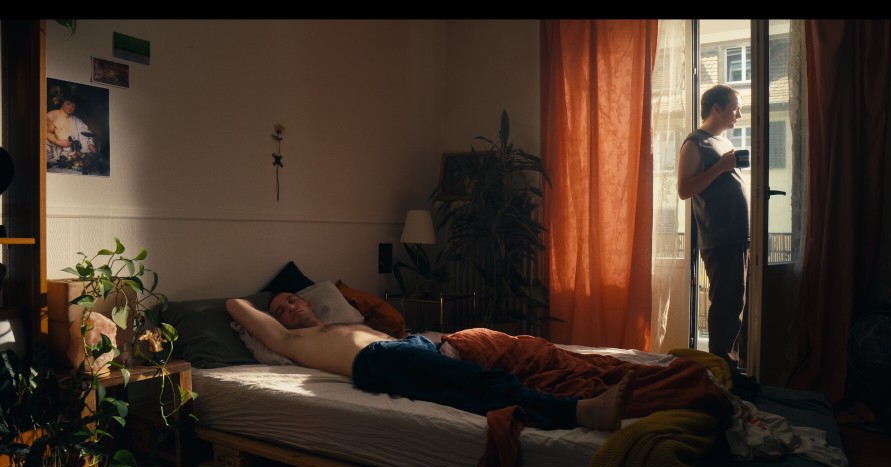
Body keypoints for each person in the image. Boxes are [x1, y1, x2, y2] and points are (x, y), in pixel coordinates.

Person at [226, 293, 636, 432]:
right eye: (279, 309)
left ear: (308, 300)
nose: (290, 307)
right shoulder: (293, 340)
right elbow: (234, 304)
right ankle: (578, 412)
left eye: (292, 299)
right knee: (477, 383)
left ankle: (556, 392)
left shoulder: (344, 321)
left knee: (502, 359)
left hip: (408, 347)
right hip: (377, 360)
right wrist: (259, 305)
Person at [676, 84, 749, 373]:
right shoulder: (695, 143)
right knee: (725, 305)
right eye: (735, 108)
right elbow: (684, 190)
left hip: (737, 235)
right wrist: (721, 167)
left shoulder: (722, 142)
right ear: (716, 109)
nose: (739, 114)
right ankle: (720, 371)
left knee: (736, 304)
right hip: (720, 237)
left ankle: (732, 367)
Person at [46, 93, 96, 170]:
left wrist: (90, 145)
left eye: (73, 106)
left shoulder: (77, 121)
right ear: (62, 103)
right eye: (68, 104)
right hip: (55, 151)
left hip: (73, 154)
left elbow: (86, 134)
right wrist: (58, 142)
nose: (70, 108)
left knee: (86, 159)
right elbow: (45, 132)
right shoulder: (52, 115)